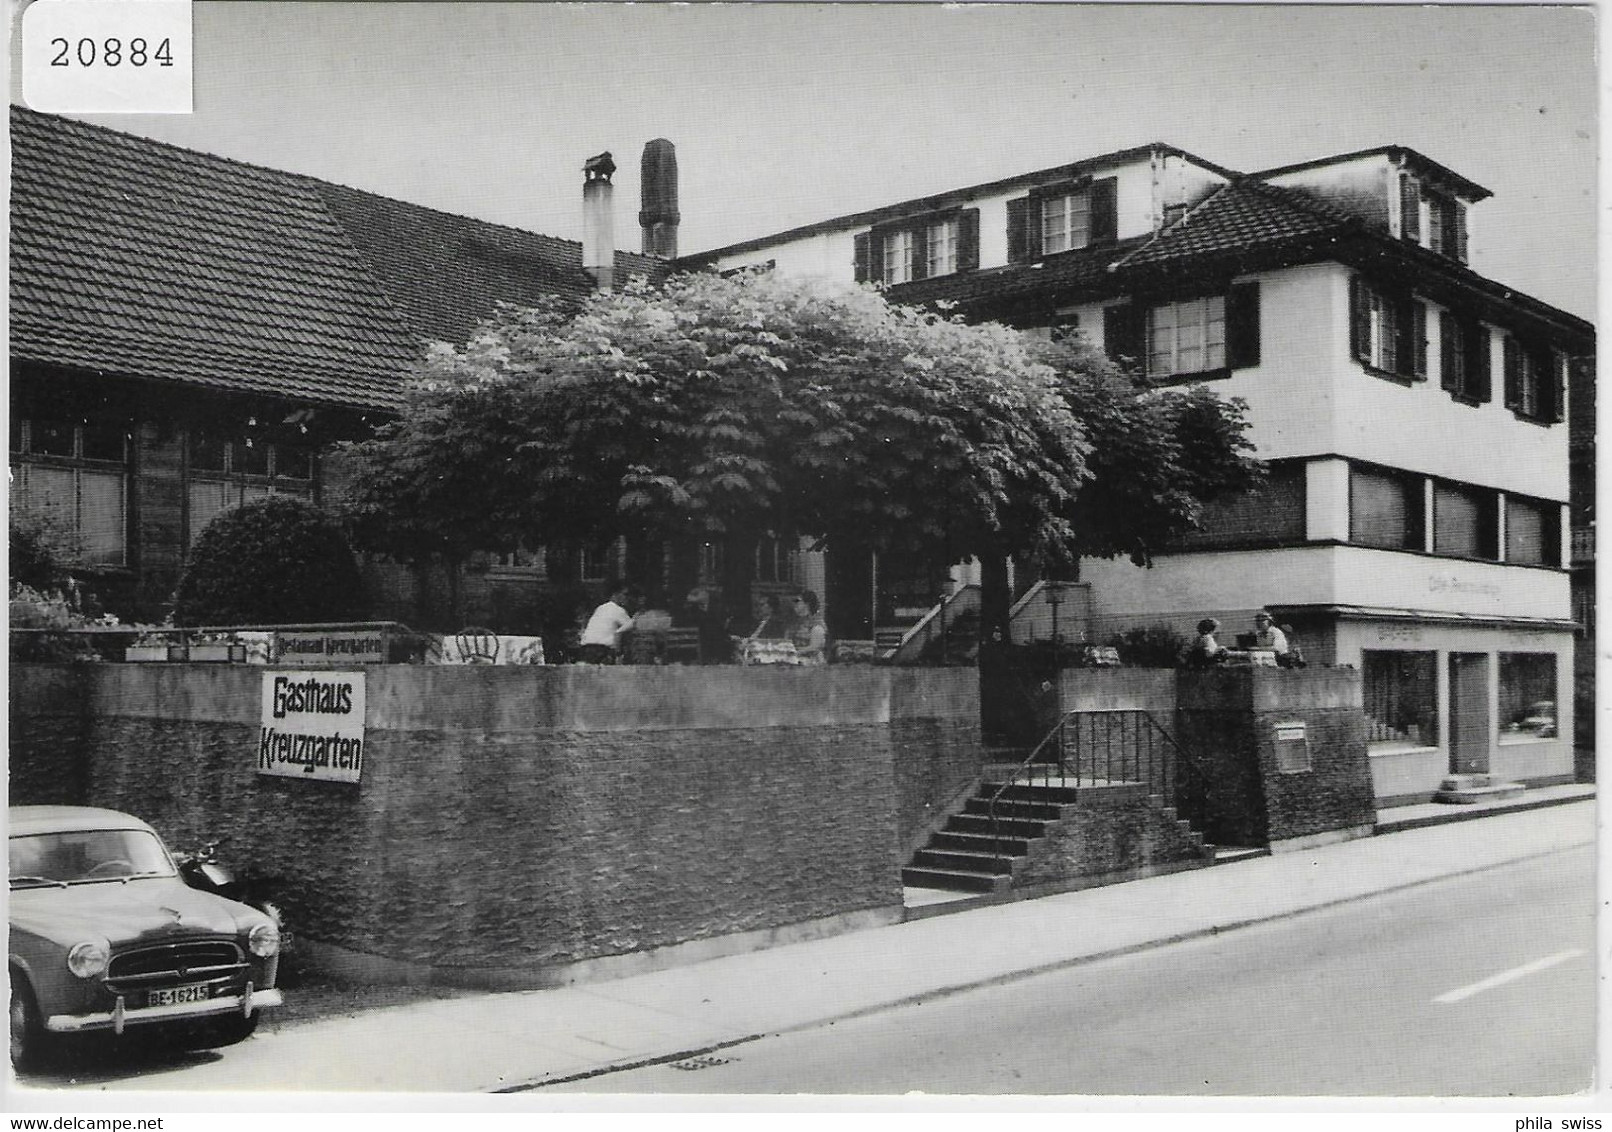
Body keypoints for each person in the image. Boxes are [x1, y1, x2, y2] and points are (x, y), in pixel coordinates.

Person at [577, 583, 635, 664]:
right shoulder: (618, 610)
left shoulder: (600, 608)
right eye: (625, 594)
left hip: (586, 649)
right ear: (616, 594)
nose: (628, 598)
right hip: (603, 651)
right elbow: (632, 627)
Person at [791, 590, 829, 665]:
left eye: (798, 601)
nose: (795, 605)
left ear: (807, 604)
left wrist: (795, 652)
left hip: (813, 663)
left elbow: (815, 647)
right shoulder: (799, 622)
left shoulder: (817, 624)